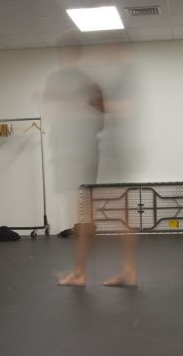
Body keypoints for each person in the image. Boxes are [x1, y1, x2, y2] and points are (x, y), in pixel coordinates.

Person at [48, 35, 138, 288]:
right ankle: (84, 271)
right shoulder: (96, 80)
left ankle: (88, 272)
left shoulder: (114, 76)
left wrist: (87, 103)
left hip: (100, 155)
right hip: (92, 154)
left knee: (95, 215)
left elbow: (118, 111)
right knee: (88, 214)